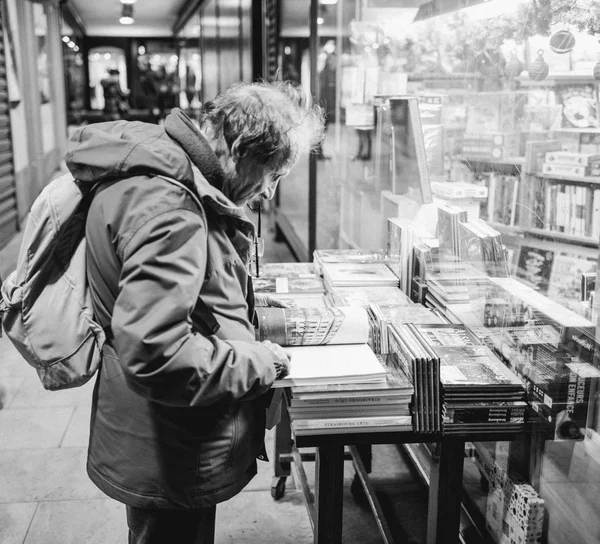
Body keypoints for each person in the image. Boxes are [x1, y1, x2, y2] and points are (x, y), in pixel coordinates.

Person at [64, 81, 324, 543]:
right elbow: (159, 354)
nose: (268, 192)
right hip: (168, 442)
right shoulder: (170, 208)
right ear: (242, 151)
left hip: (162, 432)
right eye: (273, 174)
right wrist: (261, 362)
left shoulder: (167, 176)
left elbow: (187, 292)